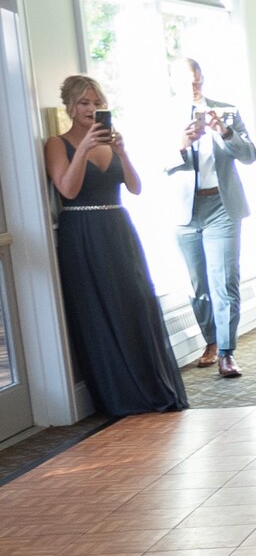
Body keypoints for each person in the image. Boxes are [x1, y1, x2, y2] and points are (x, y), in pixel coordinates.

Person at [45, 74, 187, 415]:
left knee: (136, 302)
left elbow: (135, 187)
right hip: (82, 231)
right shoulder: (56, 143)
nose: (91, 110)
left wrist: (122, 152)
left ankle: (150, 383)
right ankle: (120, 394)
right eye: (84, 103)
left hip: (118, 227)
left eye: (96, 103)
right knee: (99, 308)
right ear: (70, 106)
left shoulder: (110, 142)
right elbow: (68, 189)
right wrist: (82, 150)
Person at [168, 57, 256, 378]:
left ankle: (227, 352)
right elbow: (154, 165)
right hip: (185, 211)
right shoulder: (163, 116)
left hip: (222, 205)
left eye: (197, 80)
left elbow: (249, 154)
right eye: (187, 82)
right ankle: (211, 341)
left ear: (203, 78)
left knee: (225, 281)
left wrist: (225, 131)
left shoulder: (226, 110)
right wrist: (181, 144)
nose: (193, 87)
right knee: (199, 285)